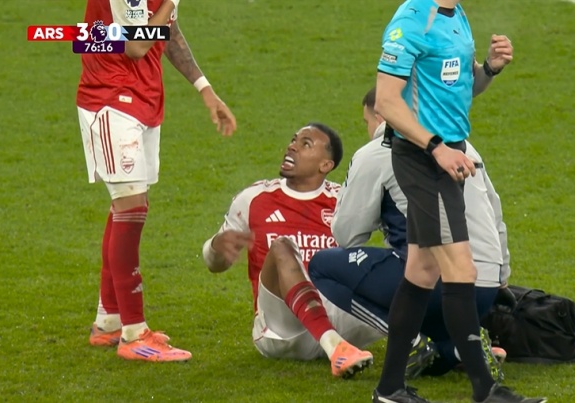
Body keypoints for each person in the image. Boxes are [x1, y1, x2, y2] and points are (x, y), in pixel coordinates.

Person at [371, 1, 545, 402]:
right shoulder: (412, 20)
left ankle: (389, 389)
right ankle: (485, 390)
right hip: (423, 159)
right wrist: (436, 148)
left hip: (447, 154)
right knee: (461, 269)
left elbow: (461, 88)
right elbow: (386, 102)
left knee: (422, 270)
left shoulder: (456, 13)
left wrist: (489, 69)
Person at [308, 88, 513, 381]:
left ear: (381, 114)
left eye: (367, 121)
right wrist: (501, 279)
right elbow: (495, 213)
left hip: (438, 286)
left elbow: (347, 235)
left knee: (323, 266)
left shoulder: (379, 150)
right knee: (431, 341)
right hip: (485, 291)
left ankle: (411, 341)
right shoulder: (464, 146)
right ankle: (459, 348)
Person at [80, 0, 237, 362]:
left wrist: (205, 89)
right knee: (130, 206)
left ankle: (109, 321)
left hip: (143, 100)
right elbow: (136, 45)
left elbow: (168, 29)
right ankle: (134, 334)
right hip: (110, 99)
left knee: (129, 205)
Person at [201, 124, 381, 378]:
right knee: (282, 248)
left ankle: (438, 348)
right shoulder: (254, 198)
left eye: (305, 144)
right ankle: (335, 346)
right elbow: (214, 264)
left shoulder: (342, 200)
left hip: (334, 314)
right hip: (281, 328)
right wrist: (215, 247)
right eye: (294, 140)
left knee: (405, 269)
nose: (292, 146)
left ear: (325, 165)